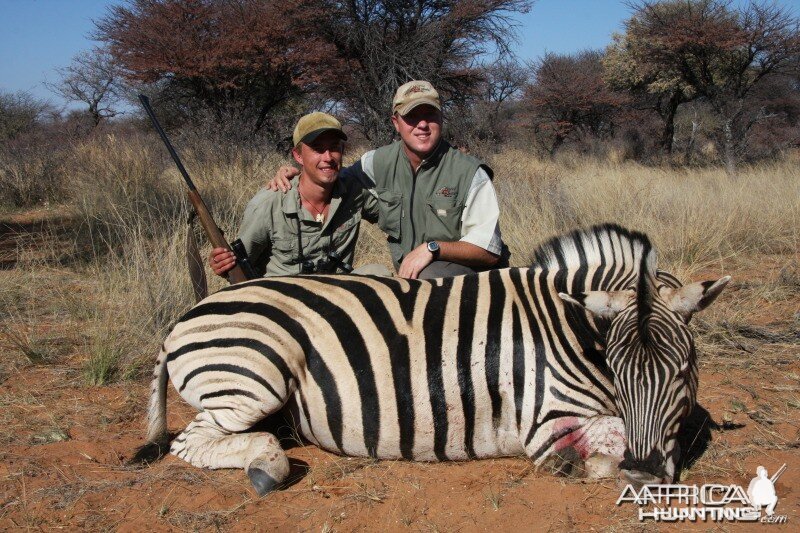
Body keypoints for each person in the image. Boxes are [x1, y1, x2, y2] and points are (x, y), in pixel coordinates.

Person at [269, 80, 507, 280]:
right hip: (411, 278)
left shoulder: (470, 173)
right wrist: (297, 174)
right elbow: (330, 175)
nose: (422, 125)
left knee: (428, 276)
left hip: (470, 282)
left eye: (430, 115)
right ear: (396, 122)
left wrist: (432, 249)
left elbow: (488, 250)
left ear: (441, 118)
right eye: (412, 116)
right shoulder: (376, 162)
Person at [209, 112, 388, 278]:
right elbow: (239, 267)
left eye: (334, 148)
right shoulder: (268, 203)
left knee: (379, 273)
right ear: (298, 155)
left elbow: (394, 218)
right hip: (285, 301)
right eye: (317, 149)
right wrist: (222, 265)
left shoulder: (354, 190)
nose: (328, 157)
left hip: (336, 294)